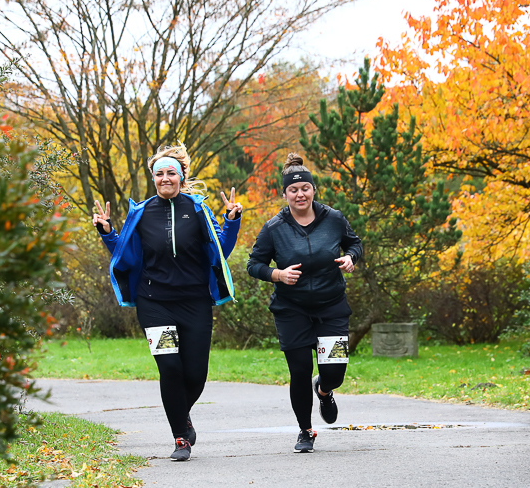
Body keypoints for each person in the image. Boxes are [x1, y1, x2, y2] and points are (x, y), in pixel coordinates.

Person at [93, 143, 242, 461]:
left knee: (196, 374)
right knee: (170, 367)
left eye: (170, 173)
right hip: (155, 303)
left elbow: (221, 249)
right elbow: (127, 253)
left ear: (182, 176)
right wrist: (107, 232)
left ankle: (180, 412)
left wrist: (231, 221)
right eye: (159, 174)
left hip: (195, 302)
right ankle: (180, 436)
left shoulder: (198, 209)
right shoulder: (141, 212)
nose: (164, 178)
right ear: (153, 178)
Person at [247, 153, 363, 452]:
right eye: (293, 190)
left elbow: (354, 243)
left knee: (334, 372)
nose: (300, 194)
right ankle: (305, 430)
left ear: (313, 190)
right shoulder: (274, 227)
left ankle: (324, 390)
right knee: (299, 370)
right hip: (291, 310)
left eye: (305, 188)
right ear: (284, 194)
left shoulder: (334, 218)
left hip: (331, 305)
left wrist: (351, 257)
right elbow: (253, 264)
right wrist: (276, 274)